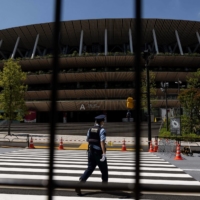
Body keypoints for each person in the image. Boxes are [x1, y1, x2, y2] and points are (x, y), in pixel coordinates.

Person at [75, 114, 108, 195]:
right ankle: (104, 186)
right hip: (98, 153)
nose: (103, 122)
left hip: (90, 152)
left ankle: (79, 185)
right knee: (104, 170)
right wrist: (104, 153)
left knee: (90, 169)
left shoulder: (90, 129)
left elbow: (87, 139)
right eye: (103, 121)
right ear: (101, 121)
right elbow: (102, 141)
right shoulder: (102, 130)